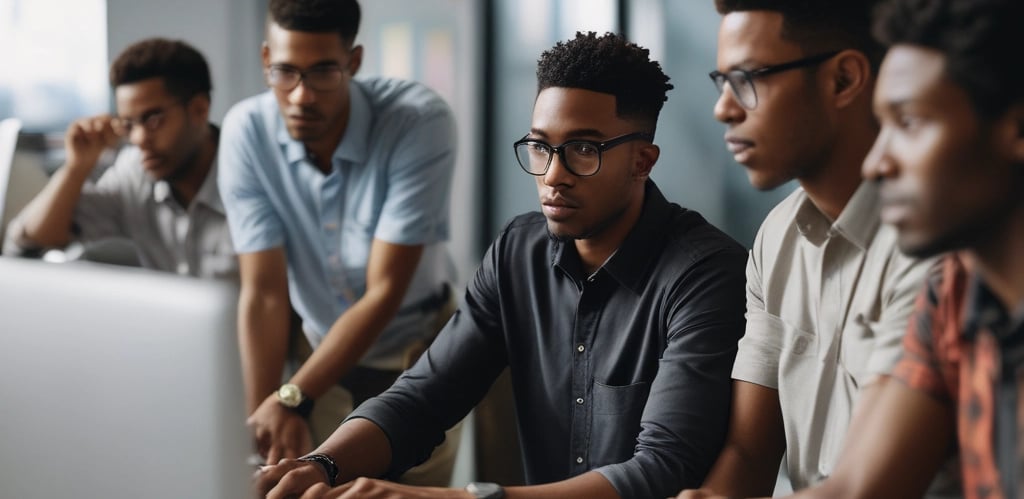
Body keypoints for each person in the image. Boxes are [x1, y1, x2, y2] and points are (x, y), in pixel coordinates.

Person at [254, 31, 747, 499]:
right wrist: (319, 466)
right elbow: (423, 397)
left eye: (583, 150)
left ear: (643, 160)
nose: (553, 176)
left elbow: (662, 470)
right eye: (540, 146)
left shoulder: (705, 274)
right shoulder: (519, 251)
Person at [676, 1, 959, 497]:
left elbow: (867, 489)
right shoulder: (776, 237)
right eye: (721, 82)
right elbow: (749, 451)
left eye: (748, 78)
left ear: (844, 79)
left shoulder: (935, 244)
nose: (724, 107)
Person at [756, 0, 1024, 497]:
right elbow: (857, 487)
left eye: (910, 123)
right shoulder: (952, 292)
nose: (877, 163)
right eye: (882, 126)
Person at [217, 0, 461, 484]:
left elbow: (383, 291)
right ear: (266, 61)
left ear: (353, 62)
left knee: (397, 493)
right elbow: (264, 294)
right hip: (317, 356)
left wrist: (290, 398)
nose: (301, 96)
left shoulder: (418, 122)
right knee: (294, 484)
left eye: (322, 72)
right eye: (285, 72)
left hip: (418, 352)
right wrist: (264, 424)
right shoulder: (246, 132)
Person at [3, 38, 234, 279]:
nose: (139, 139)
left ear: (199, 109)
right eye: (128, 124)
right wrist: (76, 168)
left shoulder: (250, 174)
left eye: (153, 119)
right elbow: (33, 241)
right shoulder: (135, 171)